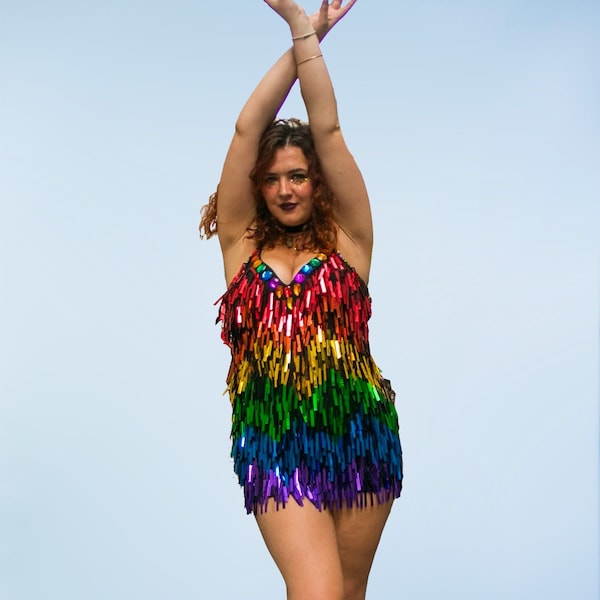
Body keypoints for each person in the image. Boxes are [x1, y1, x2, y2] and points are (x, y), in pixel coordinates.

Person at [199, 1, 402, 598]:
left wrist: (311, 42)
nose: (285, 189)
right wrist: (299, 28)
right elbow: (244, 130)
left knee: (347, 593)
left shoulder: (350, 242)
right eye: (271, 178)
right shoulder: (240, 247)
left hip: (362, 432)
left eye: (298, 175)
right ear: (256, 188)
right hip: (277, 441)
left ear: (319, 181)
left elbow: (328, 128)